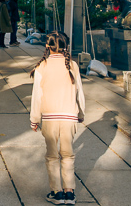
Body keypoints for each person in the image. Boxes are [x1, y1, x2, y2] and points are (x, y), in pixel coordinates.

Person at [29, 32, 86, 206]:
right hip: (69, 117)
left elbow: (37, 96)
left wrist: (35, 119)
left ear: (47, 46)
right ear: (65, 46)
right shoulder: (72, 65)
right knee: (68, 155)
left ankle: (57, 192)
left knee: (52, 156)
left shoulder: (42, 66)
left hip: (50, 117)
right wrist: (81, 113)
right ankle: (70, 192)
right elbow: (79, 92)